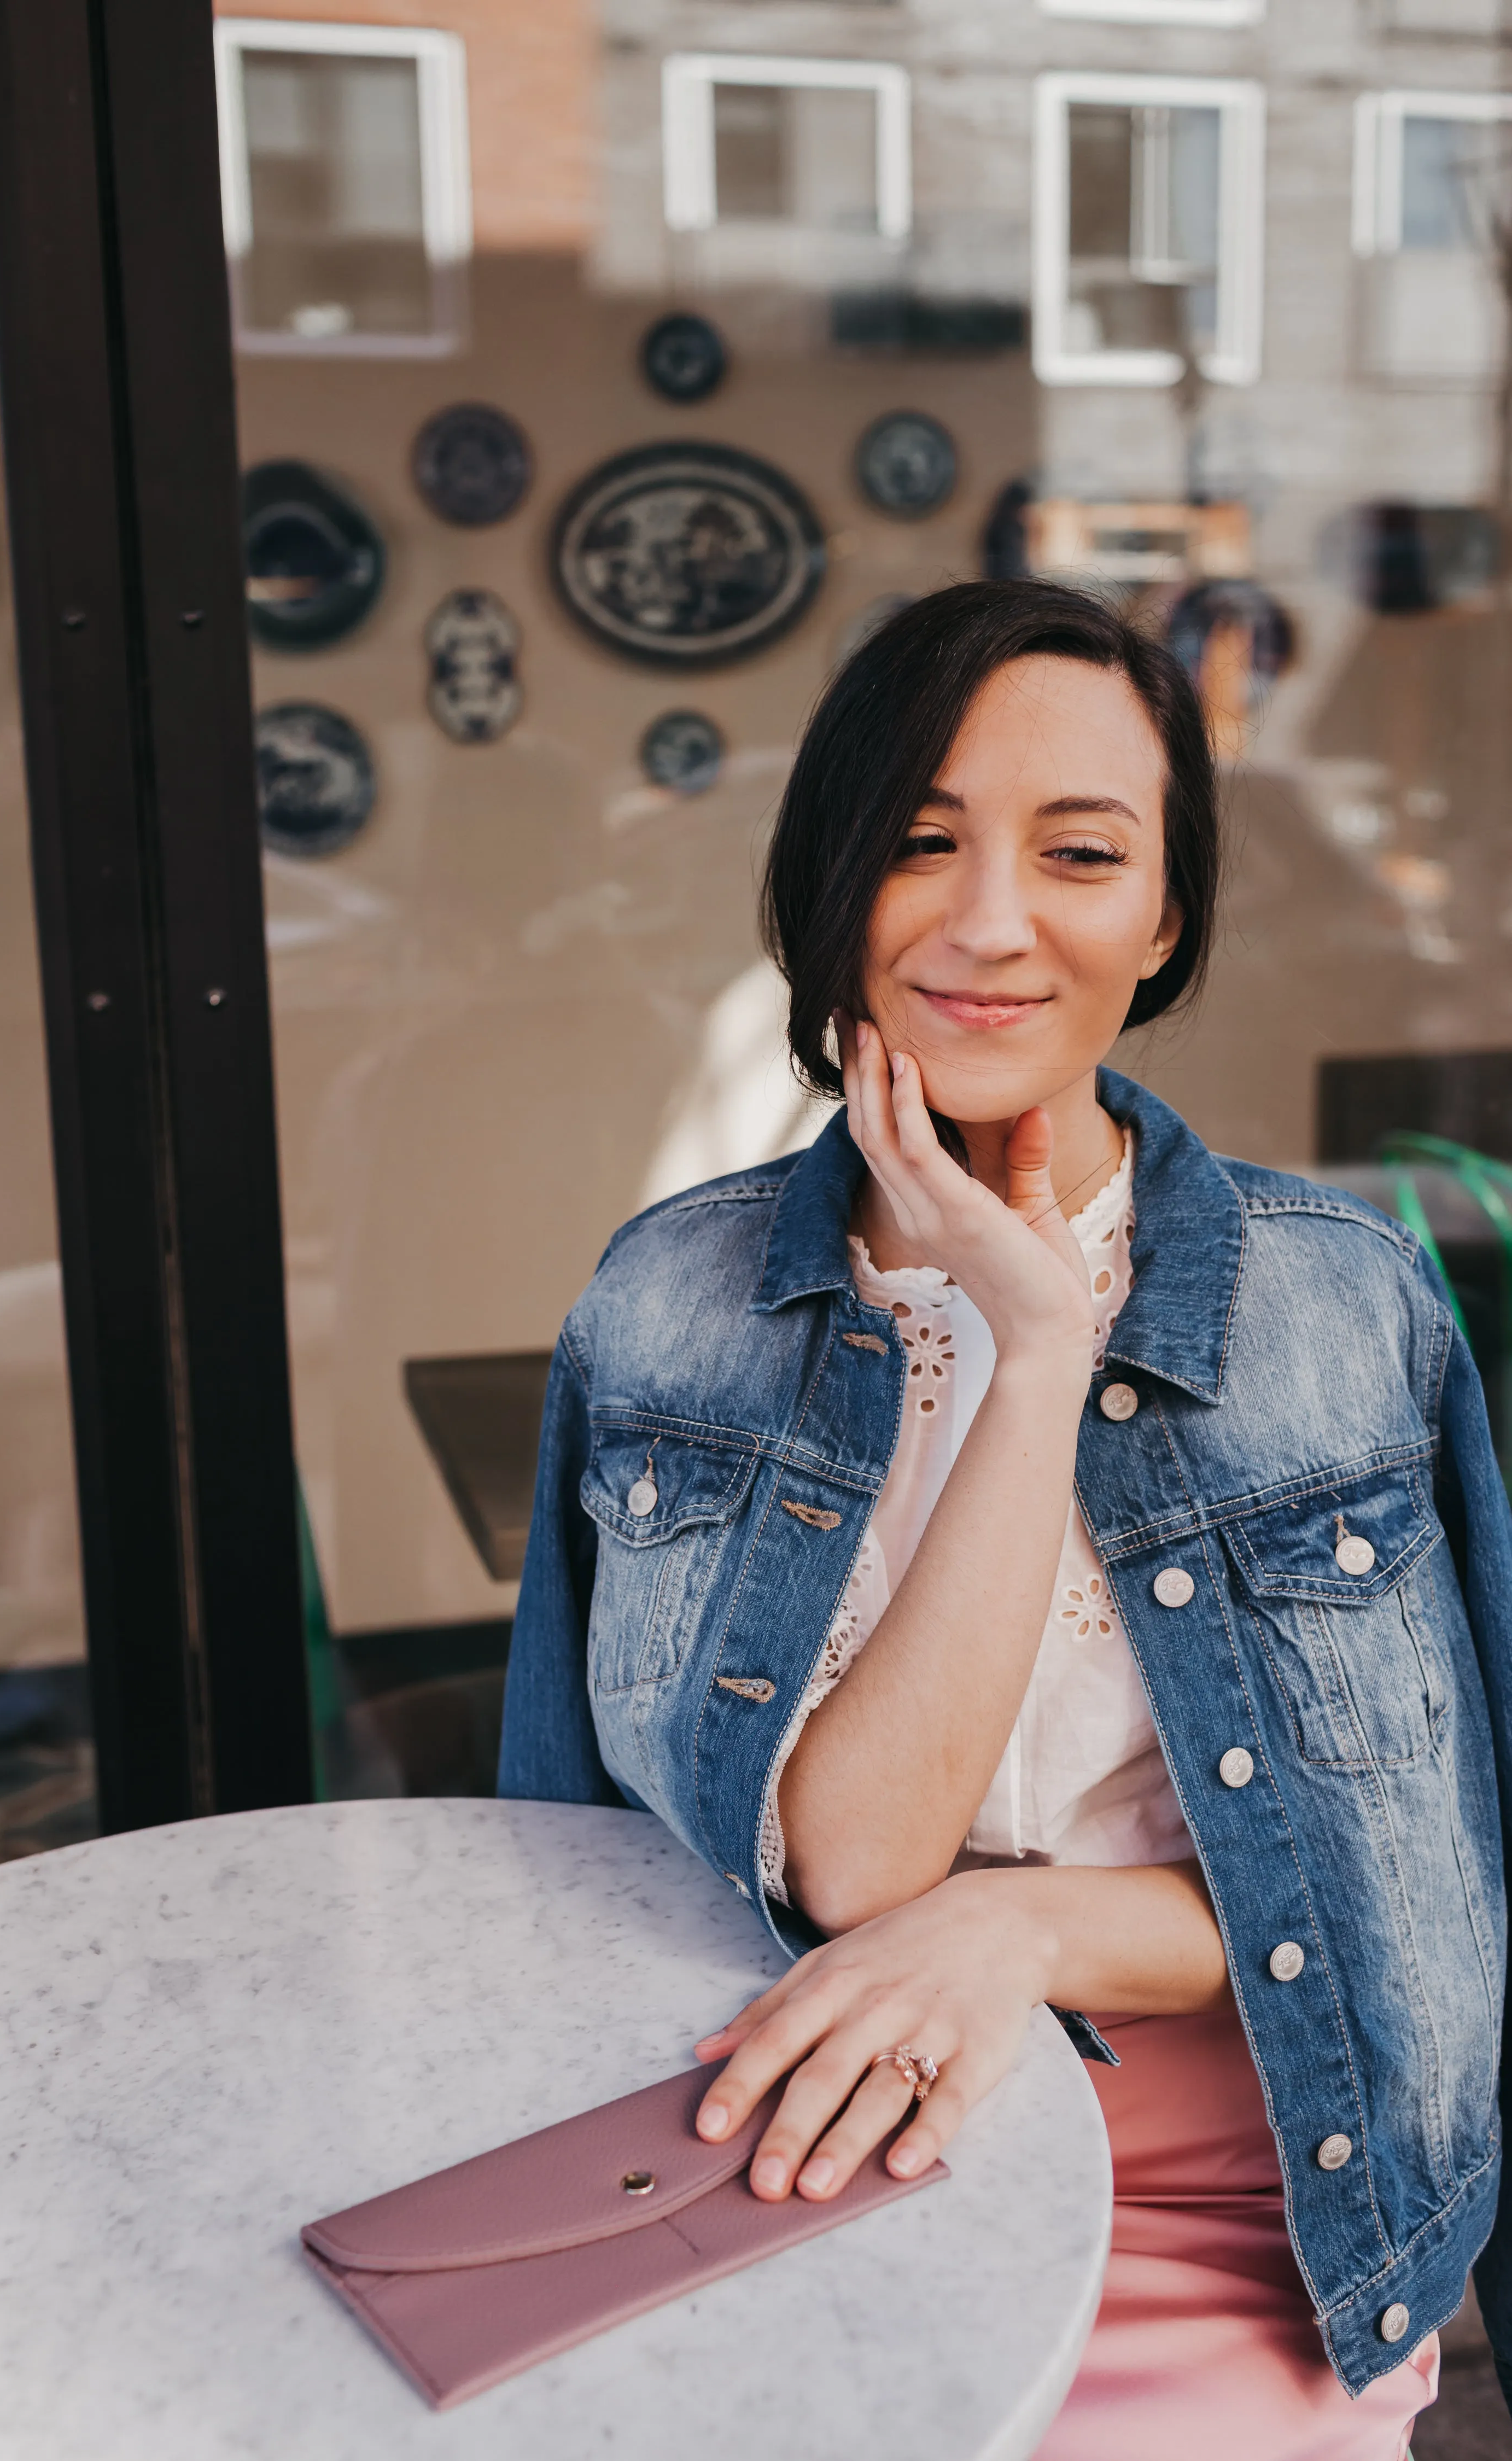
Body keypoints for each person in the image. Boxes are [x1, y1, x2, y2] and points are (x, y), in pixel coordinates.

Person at [499, 579, 1512, 2453]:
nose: (989, 923)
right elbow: (772, 1876)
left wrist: (1025, 1938)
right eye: (920, 842)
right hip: (800, 2149)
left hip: (1265, 2191)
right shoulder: (668, 1306)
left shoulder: (1343, 1309)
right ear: (829, 884)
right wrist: (1035, 1352)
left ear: (1166, 911)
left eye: (1079, 852)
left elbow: (1415, 1889)